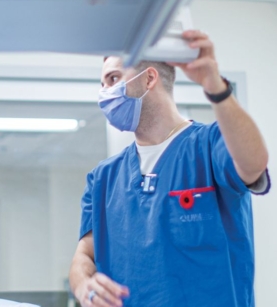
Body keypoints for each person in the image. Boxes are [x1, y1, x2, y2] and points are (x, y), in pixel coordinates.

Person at [69, 30, 270, 307]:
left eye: (113, 79)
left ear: (149, 78)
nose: (105, 93)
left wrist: (215, 86)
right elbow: (84, 255)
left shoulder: (209, 146)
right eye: (103, 84)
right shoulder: (103, 178)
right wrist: (83, 285)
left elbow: (254, 163)